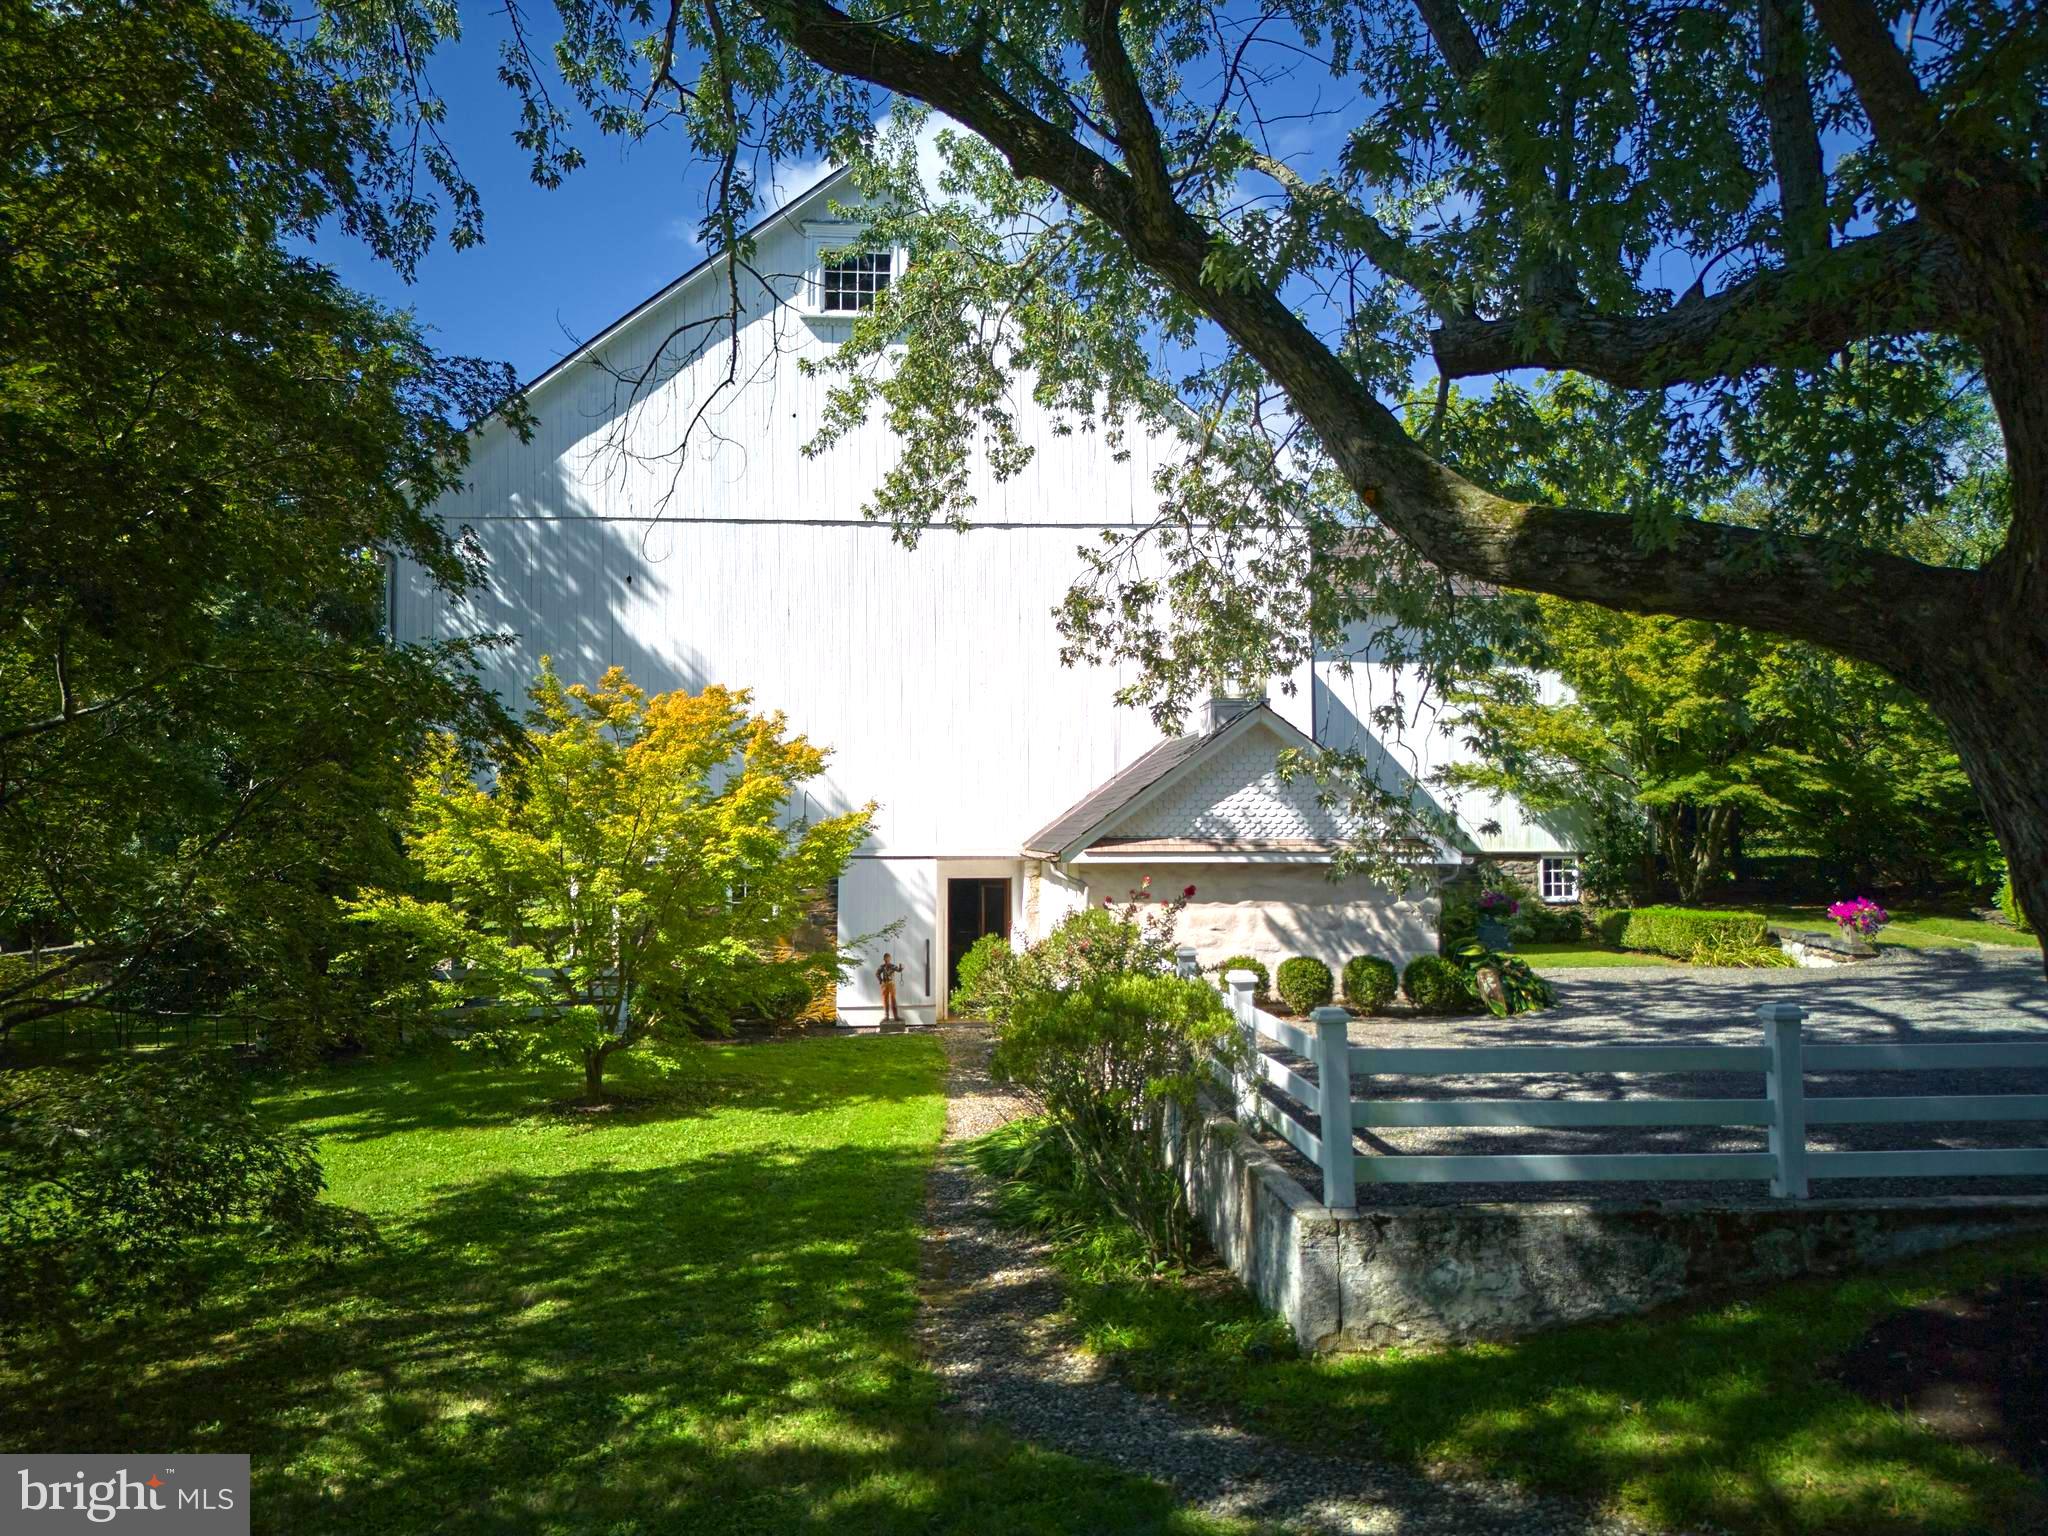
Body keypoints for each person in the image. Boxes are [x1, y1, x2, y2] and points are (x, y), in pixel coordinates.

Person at [876, 952, 904, 1023]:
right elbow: (877, 973)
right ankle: (886, 1016)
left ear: (890, 958)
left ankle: (896, 1016)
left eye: (888, 958)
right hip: (884, 984)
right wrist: (880, 980)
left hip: (891, 984)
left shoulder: (893, 966)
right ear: (884, 959)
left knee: (893, 999)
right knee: (885, 999)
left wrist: (901, 968)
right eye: (885, 958)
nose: (887, 959)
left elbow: (898, 970)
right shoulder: (882, 967)